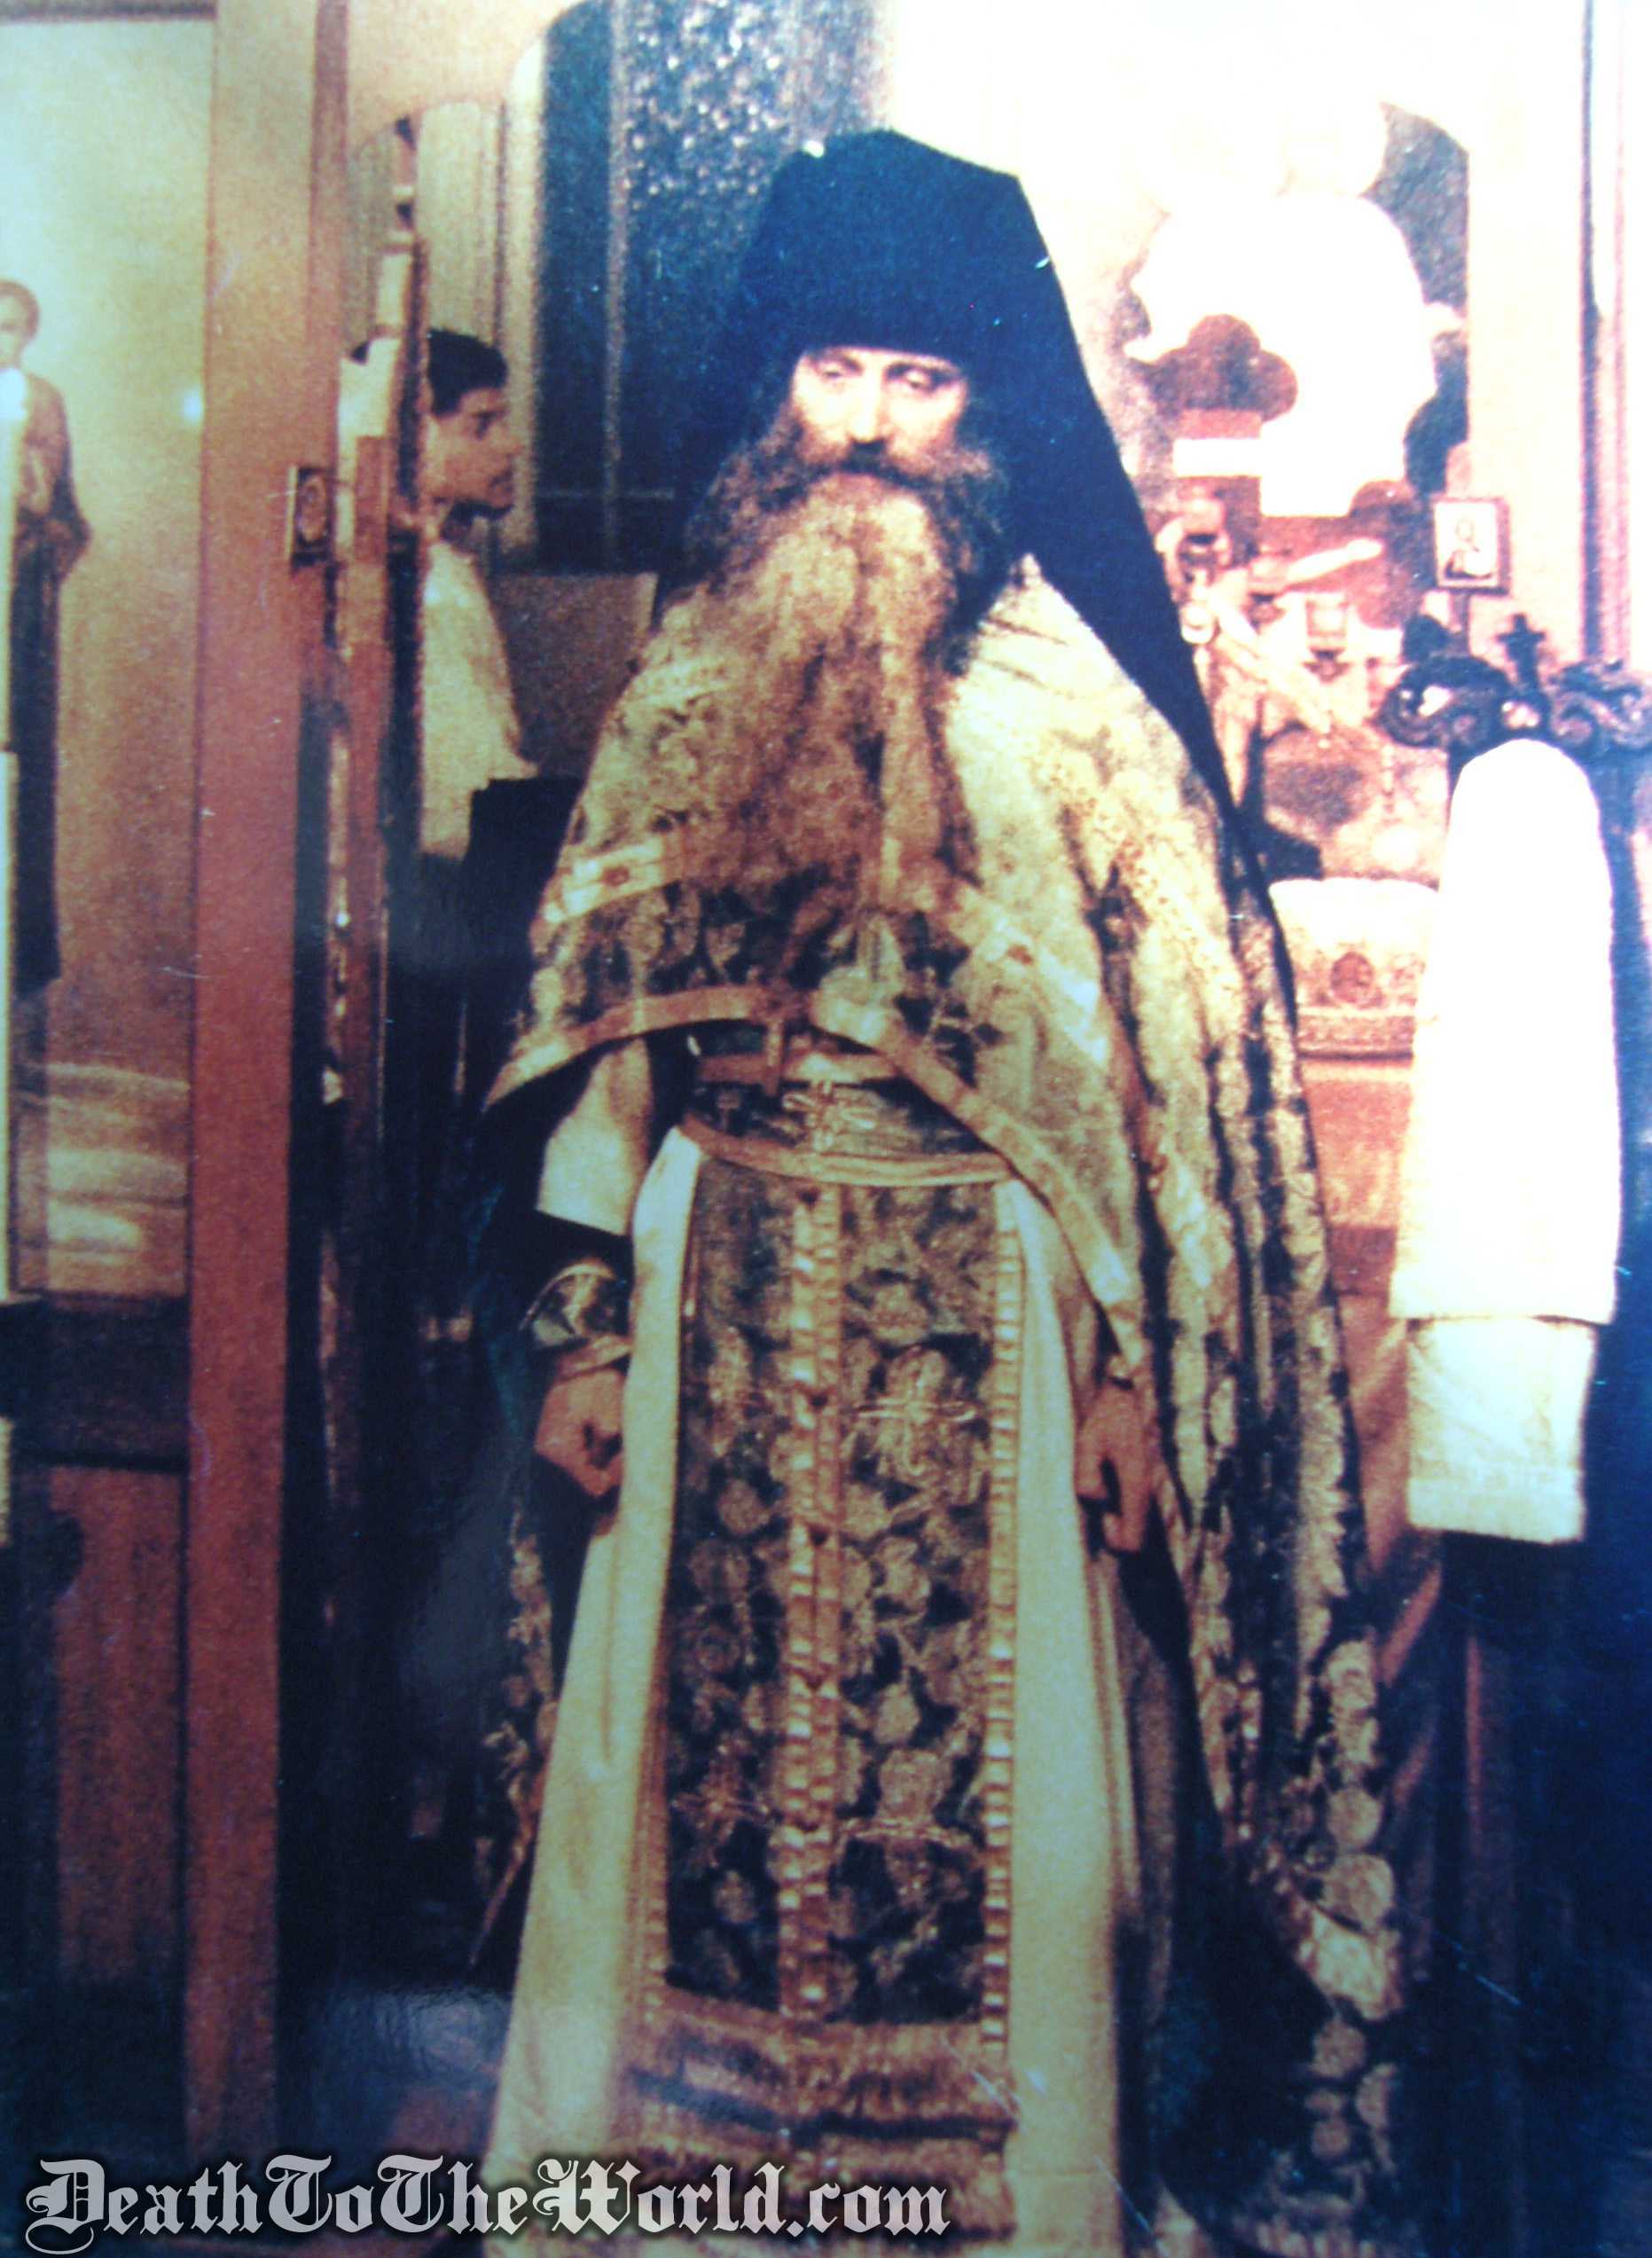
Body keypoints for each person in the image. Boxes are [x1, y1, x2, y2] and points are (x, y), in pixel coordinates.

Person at [482, 134, 1411, 2258]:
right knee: (672, 1807)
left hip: (1001, 1320)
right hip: (711, 1291)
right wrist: (582, 1333)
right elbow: (600, 1043)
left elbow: (1162, 1105)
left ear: (983, 406)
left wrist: (1133, 1384)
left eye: (918, 379)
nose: (870, 425)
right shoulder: (693, 678)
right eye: (836, 372)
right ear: (777, 389)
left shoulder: (1081, 711)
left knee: (1026, 1837)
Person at [1, 278, 90, 991]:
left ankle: (21, 959)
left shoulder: (41, 402)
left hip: (19, 603)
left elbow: (59, 511)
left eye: (13, 328)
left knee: (20, 769)